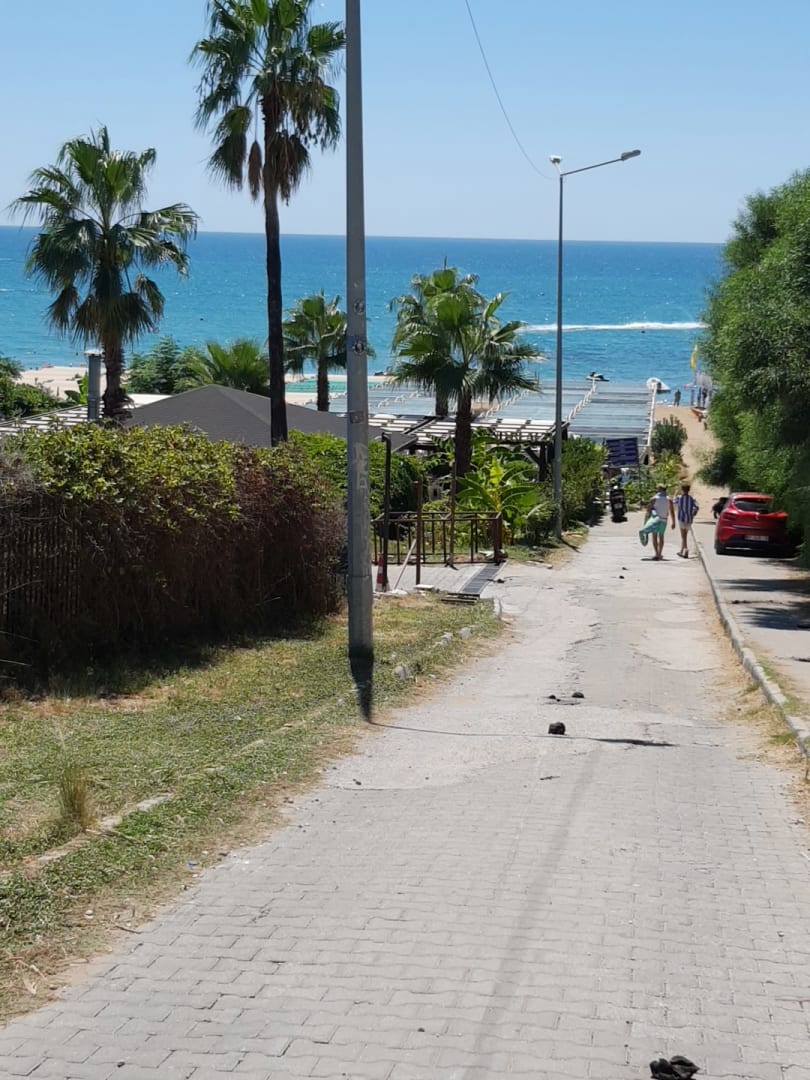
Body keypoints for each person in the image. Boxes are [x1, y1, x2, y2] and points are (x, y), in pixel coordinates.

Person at [639, 483, 675, 560]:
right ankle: (660, 553)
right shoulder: (669, 499)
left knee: (654, 536)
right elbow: (672, 511)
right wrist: (673, 522)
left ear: (659, 489)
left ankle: (656, 553)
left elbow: (648, 510)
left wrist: (646, 521)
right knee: (661, 537)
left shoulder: (654, 498)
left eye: (657, 489)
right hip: (664, 520)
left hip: (655, 520)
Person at [673, 482, 699, 558]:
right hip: (689, 519)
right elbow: (697, 507)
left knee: (683, 535)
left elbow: (673, 502)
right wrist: (694, 513)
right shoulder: (692, 499)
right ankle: (682, 551)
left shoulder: (679, 498)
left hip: (681, 518)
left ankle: (686, 549)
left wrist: (675, 493)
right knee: (685, 535)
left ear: (682, 489)